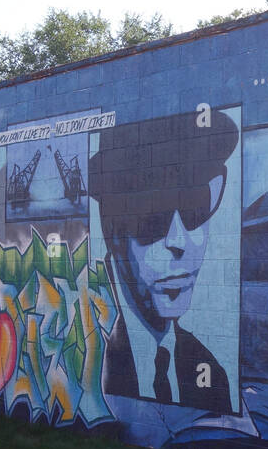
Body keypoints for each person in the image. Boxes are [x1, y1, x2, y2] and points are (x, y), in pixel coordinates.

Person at [89, 109, 238, 414]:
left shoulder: (210, 372)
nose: (179, 242)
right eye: (153, 214)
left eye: (196, 206)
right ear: (112, 232)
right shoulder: (91, 361)